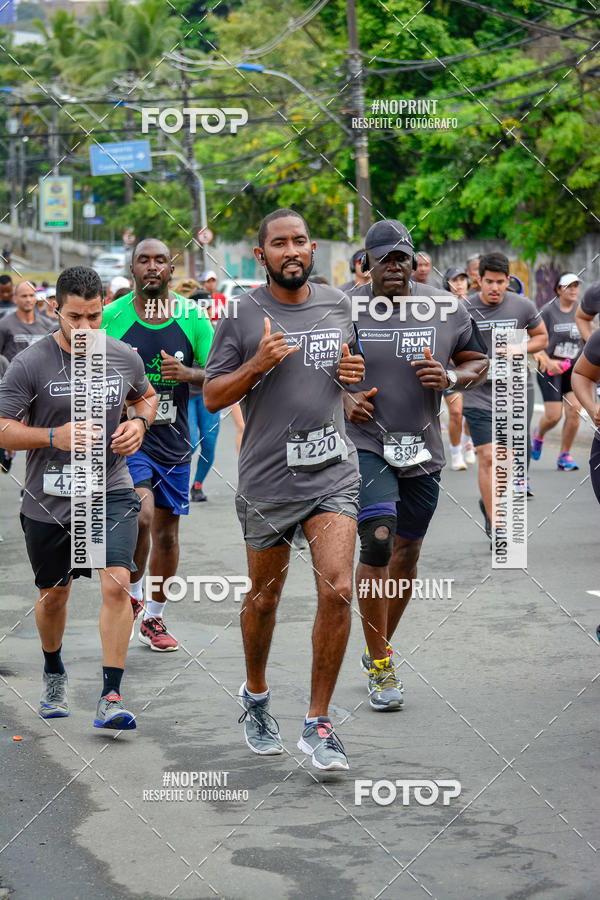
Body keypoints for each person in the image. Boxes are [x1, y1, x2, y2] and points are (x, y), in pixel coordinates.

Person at [204, 208, 364, 771]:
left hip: (333, 473)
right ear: (261, 254)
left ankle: (318, 722)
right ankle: (256, 694)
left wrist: (350, 387)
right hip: (269, 478)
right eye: (279, 243)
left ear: (313, 248)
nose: (291, 250)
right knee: (265, 597)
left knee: (339, 588)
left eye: (299, 241)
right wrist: (257, 363)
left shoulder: (337, 304)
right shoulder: (243, 313)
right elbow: (214, 396)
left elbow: (346, 374)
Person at [0, 266, 157, 727]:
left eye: (94, 316)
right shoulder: (32, 362)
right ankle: (53, 670)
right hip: (50, 499)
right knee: (54, 595)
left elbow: (144, 397)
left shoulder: (123, 355)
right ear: (56, 311)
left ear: (104, 307)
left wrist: (139, 423)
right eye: (75, 318)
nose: (86, 328)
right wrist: (55, 435)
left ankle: (111, 695)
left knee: (116, 583)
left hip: (110, 487)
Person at [344, 220, 488, 710]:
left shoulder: (445, 306)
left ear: (412, 261)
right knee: (379, 539)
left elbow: (477, 362)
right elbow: (319, 364)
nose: (394, 267)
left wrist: (449, 375)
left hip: (423, 446)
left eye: (401, 258)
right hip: (366, 442)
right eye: (383, 259)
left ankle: (378, 647)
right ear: (367, 263)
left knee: (407, 553)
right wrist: (343, 396)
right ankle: (382, 667)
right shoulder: (345, 306)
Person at [102, 239, 213, 652]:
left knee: (167, 533)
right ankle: (132, 593)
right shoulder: (111, 318)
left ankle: (154, 617)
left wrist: (187, 373)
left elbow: (219, 373)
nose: (152, 267)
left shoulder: (193, 317)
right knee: (141, 513)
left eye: (160, 261)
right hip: (129, 438)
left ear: (171, 268)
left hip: (174, 440)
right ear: (132, 268)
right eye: (144, 260)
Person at [463, 252, 547, 538]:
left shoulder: (522, 306)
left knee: (506, 462)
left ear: (508, 280)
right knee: (487, 456)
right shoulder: (464, 308)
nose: (495, 288)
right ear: (479, 280)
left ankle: (490, 506)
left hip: (511, 394)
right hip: (477, 394)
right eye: (489, 282)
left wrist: (518, 347)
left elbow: (542, 337)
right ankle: (498, 523)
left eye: (501, 282)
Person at [171, 280, 221, 504]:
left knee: (209, 443)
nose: (206, 312)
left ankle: (197, 484)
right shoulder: (182, 327)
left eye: (209, 308)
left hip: (209, 394)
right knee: (189, 442)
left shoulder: (219, 329)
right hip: (185, 394)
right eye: (202, 308)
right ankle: (173, 480)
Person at [531, 273, 583, 470]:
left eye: (576, 286)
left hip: (574, 368)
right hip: (550, 368)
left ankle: (564, 456)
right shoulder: (547, 311)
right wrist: (547, 360)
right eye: (568, 286)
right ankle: (539, 433)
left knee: (575, 409)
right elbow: (535, 339)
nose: (573, 290)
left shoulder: (581, 310)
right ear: (559, 289)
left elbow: (589, 336)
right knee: (554, 416)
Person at [443, 266, 476, 467]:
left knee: (470, 411)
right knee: (456, 412)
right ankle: (456, 453)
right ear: (446, 284)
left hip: (471, 367)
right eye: (454, 280)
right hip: (449, 367)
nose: (458, 284)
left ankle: (468, 442)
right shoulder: (440, 307)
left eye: (462, 279)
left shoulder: (476, 306)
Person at [0, 281, 53, 361]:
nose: (28, 299)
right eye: (24, 296)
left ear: (35, 298)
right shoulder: (3, 325)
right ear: (15, 299)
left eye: (31, 295)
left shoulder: (48, 324)